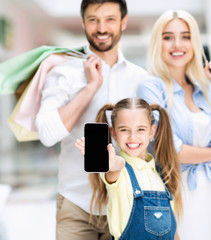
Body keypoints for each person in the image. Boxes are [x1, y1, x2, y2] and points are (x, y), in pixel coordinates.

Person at [35, 1, 148, 239]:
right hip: (75, 204)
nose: (101, 28)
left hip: (127, 202)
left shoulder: (141, 79)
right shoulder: (63, 72)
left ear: (123, 22)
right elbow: (47, 134)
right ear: (83, 22)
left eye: (110, 19)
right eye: (93, 19)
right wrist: (91, 87)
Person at [137, 9, 211, 240]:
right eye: (168, 37)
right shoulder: (150, 88)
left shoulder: (208, 88)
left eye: (185, 36)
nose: (178, 44)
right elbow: (172, 152)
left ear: (195, 42)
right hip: (179, 191)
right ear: (158, 42)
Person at [74, 97, 182, 240]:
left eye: (140, 129)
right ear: (113, 132)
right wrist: (111, 164)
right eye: (124, 129)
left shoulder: (160, 175)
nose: (133, 137)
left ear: (152, 131)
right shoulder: (118, 172)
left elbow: (173, 234)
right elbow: (117, 167)